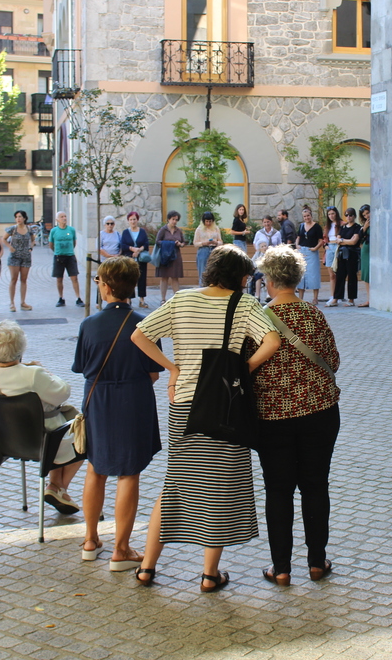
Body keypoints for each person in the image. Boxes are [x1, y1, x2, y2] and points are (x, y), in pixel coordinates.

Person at [131, 245, 281, 592]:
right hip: (225, 405)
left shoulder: (182, 300)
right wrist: (243, 369)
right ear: (241, 277)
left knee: (175, 485)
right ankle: (210, 575)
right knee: (219, 488)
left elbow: (139, 335)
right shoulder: (244, 304)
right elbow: (272, 341)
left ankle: (147, 568)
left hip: (185, 404)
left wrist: (173, 368)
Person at [251, 246, 341, 585]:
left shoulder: (259, 319)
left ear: (271, 281)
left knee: (278, 490)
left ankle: (281, 568)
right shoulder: (314, 314)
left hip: (272, 417)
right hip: (320, 412)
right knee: (316, 485)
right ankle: (317, 562)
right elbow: (333, 361)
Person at [73, 257, 164, 570]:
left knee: (95, 468)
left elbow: (82, 368)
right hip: (134, 400)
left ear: (107, 287)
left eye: (99, 281)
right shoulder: (145, 324)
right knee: (129, 473)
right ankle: (121, 549)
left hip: (97, 400)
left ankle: (90, 540)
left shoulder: (88, 325)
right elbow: (153, 373)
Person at [0, 320, 85, 514]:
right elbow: (63, 392)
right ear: (20, 347)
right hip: (42, 441)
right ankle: (58, 487)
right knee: (83, 431)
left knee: (56, 421)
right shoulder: (33, 374)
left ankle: (56, 486)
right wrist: (45, 371)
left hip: (0, 440)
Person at [326, 208, 361, 307]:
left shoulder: (357, 227)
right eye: (346, 215)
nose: (348, 217)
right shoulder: (343, 227)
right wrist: (345, 241)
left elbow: (354, 241)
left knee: (352, 276)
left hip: (352, 254)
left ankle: (351, 299)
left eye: (350, 215)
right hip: (342, 254)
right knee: (340, 276)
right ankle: (336, 298)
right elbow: (338, 239)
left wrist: (342, 240)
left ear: (354, 216)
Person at [50, 211, 85, 309]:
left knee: (74, 278)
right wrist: (57, 251)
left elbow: (74, 243)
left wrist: (69, 250)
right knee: (59, 278)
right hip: (58, 257)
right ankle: (61, 298)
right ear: (57, 219)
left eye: (65, 216)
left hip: (70, 256)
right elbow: (51, 244)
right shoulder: (54, 231)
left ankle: (78, 298)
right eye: (61, 217)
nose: (64, 218)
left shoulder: (71, 230)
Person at [3, 211, 34, 311]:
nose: (18, 219)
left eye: (20, 217)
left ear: (24, 218)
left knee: (24, 280)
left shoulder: (29, 229)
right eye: (16, 217)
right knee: (14, 279)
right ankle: (12, 303)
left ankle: (23, 302)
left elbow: (33, 239)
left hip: (26, 257)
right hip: (14, 257)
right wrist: (10, 247)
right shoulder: (13, 229)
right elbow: (4, 239)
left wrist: (31, 247)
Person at [120, 210, 151, 308]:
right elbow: (123, 245)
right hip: (129, 258)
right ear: (128, 221)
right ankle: (129, 300)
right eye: (131, 219)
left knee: (142, 278)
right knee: (129, 279)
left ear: (137, 220)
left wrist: (139, 250)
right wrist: (132, 249)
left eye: (134, 219)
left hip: (141, 259)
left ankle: (142, 300)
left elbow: (146, 243)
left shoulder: (142, 231)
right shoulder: (125, 232)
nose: (133, 221)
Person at [295, 206, 325, 304]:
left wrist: (315, 248)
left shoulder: (317, 227)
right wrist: (297, 245)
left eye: (308, 215)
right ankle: (300, 298)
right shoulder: (301, 226)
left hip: (312, 251)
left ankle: (315, 298)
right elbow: (298, 237)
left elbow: (321, 240)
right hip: (302, 251)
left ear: (311, 215)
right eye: (305, 216)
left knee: (314, 274)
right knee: (301, 274)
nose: (306, 218)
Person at [155, 211, 186, 302]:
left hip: (175, 256)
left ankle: (177, 299)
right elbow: (157, 241)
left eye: (176, 220)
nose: (174, 221)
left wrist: (180, 244)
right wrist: (169, 243)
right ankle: (163, 299)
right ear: (168, 219)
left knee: (175, 277)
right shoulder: (163, 230)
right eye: (173, 219)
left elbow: (183, 242)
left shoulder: (178, 230)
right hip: (165, 256)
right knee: (164, 277)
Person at [193, 211, 222, 286]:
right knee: (203, 272)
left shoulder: (216, 228)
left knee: (214, 271)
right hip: (203, 250)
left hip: (214, 249)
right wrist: (204, 243)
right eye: (207, 221)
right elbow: (195, 243)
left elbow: (220, 241)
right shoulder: (199, 229)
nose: (208, 223)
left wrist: (216, 242)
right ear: (203, 221)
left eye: (210, 221)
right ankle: (202, 288)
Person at [322, 206, 340, 294]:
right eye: (329, 214)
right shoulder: (327, 226)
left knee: (339, 274)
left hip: (338, 247)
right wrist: (325, 245)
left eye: (333, 213)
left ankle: (338, 296)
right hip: (329, 247)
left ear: (336, 214)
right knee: (331, 275)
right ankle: (332, 295)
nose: (331, 216)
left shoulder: (342, 224)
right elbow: (324, 238)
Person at [357, 204, 371, 307]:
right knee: (366, 275)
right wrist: (365, 228)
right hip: (366, 250)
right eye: (364, 215)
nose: (367, 216)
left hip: (375, 250)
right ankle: (369, 299)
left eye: (368, 213)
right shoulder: (365, 224)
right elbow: (359, 238)